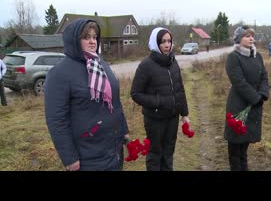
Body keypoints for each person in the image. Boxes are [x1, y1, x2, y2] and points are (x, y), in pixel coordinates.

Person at [44, 18, 129, 171]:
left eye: (94, 37)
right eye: (86, 37)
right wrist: (69, 158)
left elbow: (115, 102)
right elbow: (57, 120)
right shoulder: (59, 73)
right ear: (74, 41)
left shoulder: (101, 65)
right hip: (88, 155)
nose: (92, 41)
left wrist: (123, 129)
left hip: (113, 147)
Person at [130, 27, 191, 171]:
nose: (167, 44)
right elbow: (135, 93)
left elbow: (179, 89)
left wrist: (185, 113)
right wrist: (158, 102)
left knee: (168, 153)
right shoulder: (146, 65)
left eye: (169, 41)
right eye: (163, 41)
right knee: (155, 154)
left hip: (172, 117)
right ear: (155, 43)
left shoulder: (173, 61)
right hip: (155, 119)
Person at [224, 25, 269, 171]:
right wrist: (255, 98)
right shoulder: (233, 57)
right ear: (239, 39)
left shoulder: (258, 56)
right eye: (247, 36)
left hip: (254, 106)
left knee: (244, 147)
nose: (251, 39)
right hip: (238, 106)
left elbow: (264, 76)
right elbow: (239, 82)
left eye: (252, 36)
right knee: (235, 147)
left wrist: (263, 94)